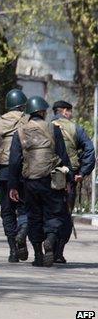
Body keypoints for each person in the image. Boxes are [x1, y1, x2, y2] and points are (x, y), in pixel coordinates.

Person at [8, 96, 72, 267]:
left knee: (34, 217)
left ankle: (37, 255)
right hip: (51, 180)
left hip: (30, 182)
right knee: (54, 214)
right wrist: (69, 179)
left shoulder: (20, 132)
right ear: (43, 112)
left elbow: (14, 161)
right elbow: (63, 156)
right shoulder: (54, 129)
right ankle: (50, 241)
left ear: (29, 112)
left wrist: (13, 186)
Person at [0, 89, 30, 263]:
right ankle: (23, 229)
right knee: (26, 208)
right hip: (27, 172)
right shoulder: (30, 121)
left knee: (7, 212)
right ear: (23, 105)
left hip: (4, 173)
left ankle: (12, 250)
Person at [51, 100, 95, 263]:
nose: (71, 114)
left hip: (46, 177)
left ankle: (47, 244)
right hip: (70, 178)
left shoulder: (43, 127)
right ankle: (58, 252)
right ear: (63, 111)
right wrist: (82, 173)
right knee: (65, 215)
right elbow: (90, 151)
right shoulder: (76, 128)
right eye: (70, 111)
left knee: (48, 212)